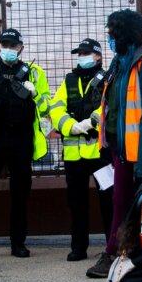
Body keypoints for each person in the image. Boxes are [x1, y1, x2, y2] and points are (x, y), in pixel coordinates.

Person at [86, 9, 142, 279]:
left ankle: (120, 253)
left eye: (113, 34)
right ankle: (126, 252)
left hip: (139, 152)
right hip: (121, 147)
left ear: (125, 34)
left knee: (136, 202)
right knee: (123, 200)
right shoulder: (121, 62)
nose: (110, 39)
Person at [0, 27, 51, 259]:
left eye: (13, 46)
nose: (8, 50)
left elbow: (46, 107)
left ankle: (18, 244)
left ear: (21, 48)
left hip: (21, 139)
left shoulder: (34, 72)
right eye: (5, 45)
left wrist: (35, 95)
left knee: (20, 194)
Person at [48, 38, 113, 261]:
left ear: (97, 56)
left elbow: (108, 104)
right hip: (74, 155)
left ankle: (112, 247)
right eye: (80, 53)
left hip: (100, 154)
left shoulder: (107, 78)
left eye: (86, 53)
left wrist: (91, 122)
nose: (82, 56)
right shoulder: (69, 80)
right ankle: (78, 248)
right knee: (76, 203)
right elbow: (56, 108)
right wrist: (71, 126)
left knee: (109, 202)